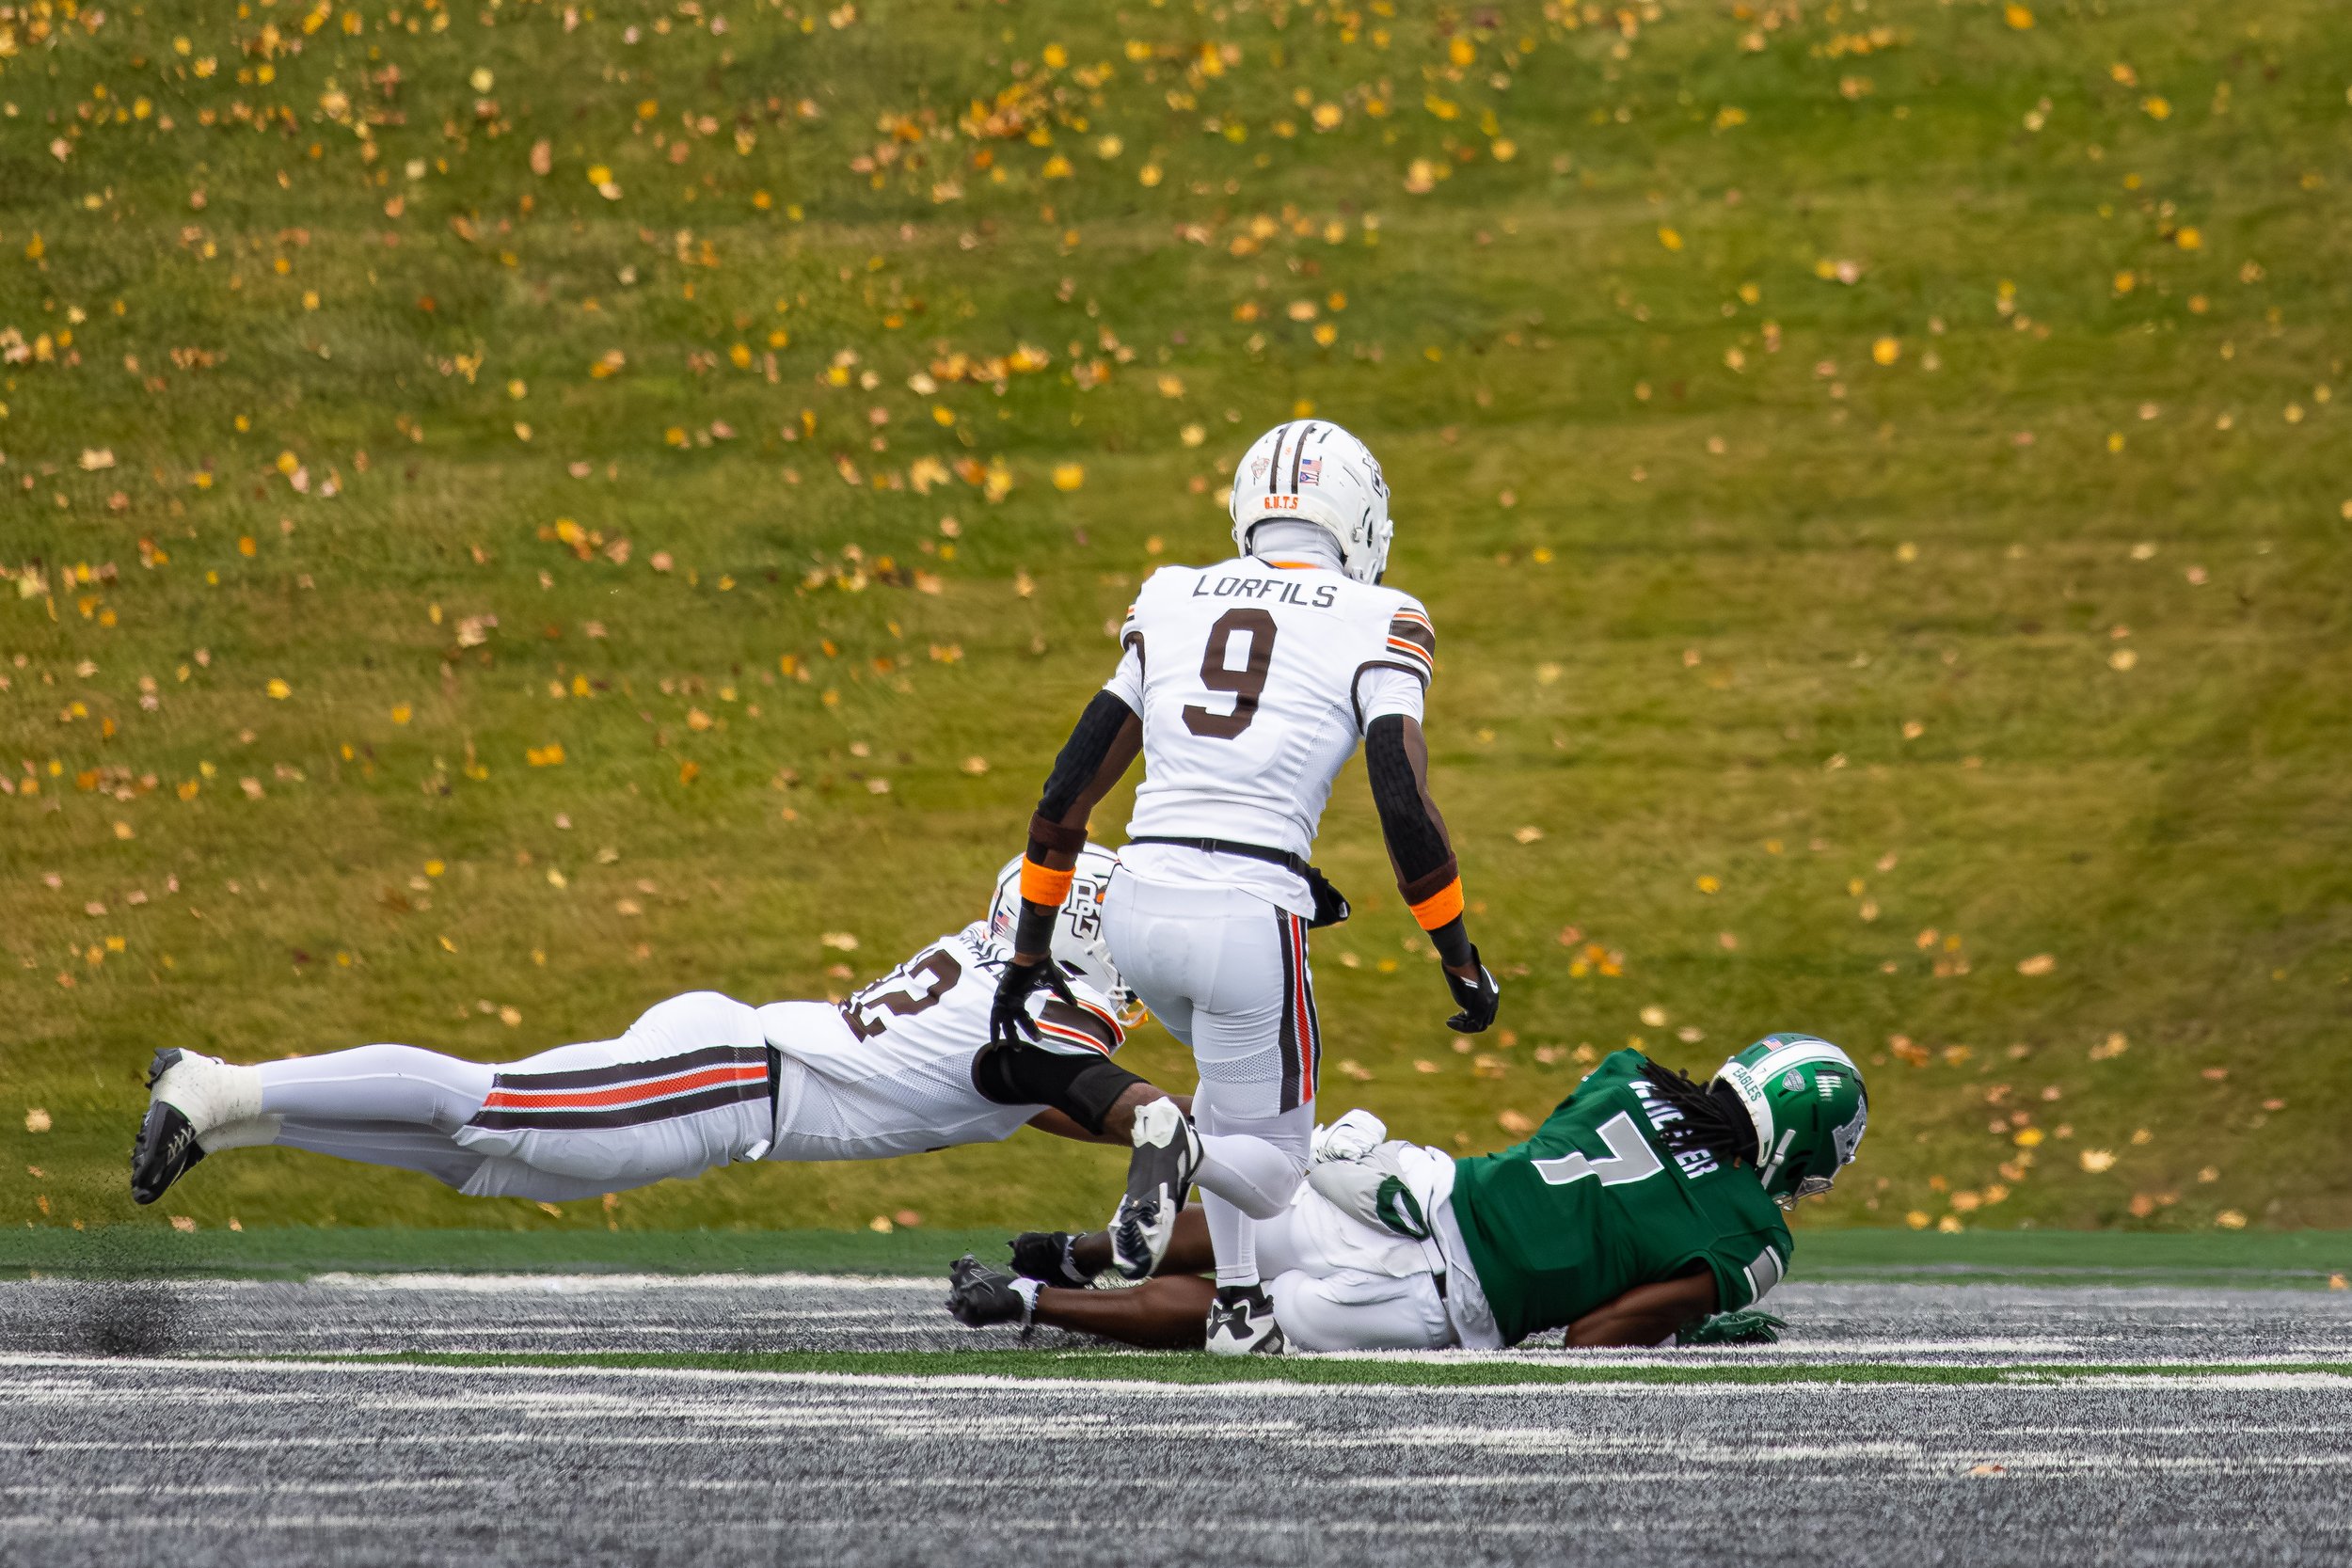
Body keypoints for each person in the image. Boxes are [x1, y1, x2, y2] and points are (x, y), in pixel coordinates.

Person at [985, 418, 1502, 1354]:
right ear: (1360, 518)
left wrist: (1029, 951)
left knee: (1227, 1098)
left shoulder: (1169, 594)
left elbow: (1067, 792)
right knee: (1272, 1167)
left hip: (1138, 899)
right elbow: (1401, 795)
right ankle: (1172, 1142)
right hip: (1245, 917)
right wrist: (1457, 952)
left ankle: (1237, 1305)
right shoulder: (1382, 615)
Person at [129, 850, 1181, 1207]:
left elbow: (1043, 1099)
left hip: (731, 1089)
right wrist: (1206, 1132)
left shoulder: (1007, 1001)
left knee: (486, 1164)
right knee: (493, 1104)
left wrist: (1199, 1130)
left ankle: (241, 1123)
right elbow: (1099, 1098)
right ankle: (222, 1082)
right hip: (727, 1080)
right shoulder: (1034, 1020)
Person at [946, 1034, 1868, 1352]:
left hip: (1410, 1186)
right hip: (1449, 1293)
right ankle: (1031, 1300)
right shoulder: (1753, 1235)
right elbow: (1594, 1335)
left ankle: (1074, 1253)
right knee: (1243, 1319)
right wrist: (1687, 1316)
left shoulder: (1631, 1074)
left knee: (1253, 1227)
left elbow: (1566, 1156)